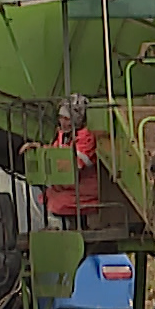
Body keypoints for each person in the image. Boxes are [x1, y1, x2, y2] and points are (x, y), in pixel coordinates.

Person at [20, 94, 100, 225]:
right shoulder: (63, 134)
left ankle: (70, 228)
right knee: (43, 196)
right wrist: (38, 148)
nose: (63, 122)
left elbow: (76, 164)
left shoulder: (86, 137)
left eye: (67, 118)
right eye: (61, 117)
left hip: (84, 187)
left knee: (56, 202)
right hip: (68, 186)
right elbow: (55, 151)